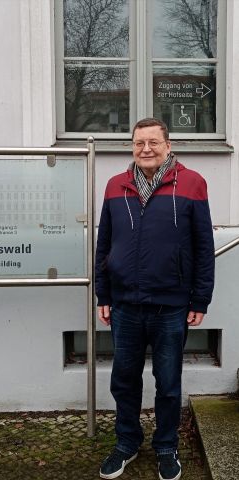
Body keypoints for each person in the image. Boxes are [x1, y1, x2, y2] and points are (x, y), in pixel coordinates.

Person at [95, 118, 215, 480]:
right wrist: (103, 293)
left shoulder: (192, 183)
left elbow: (203, 247)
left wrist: (200, 299)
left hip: (171, 306)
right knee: (124, 381)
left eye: (153, 142)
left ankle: (166, 447)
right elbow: (104, 244)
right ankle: (126, 443)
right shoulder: (115, 185)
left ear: (168, 145)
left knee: (168, 382)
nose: (145, 149)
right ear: (132, 147)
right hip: (125, 305)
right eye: (138, 143)